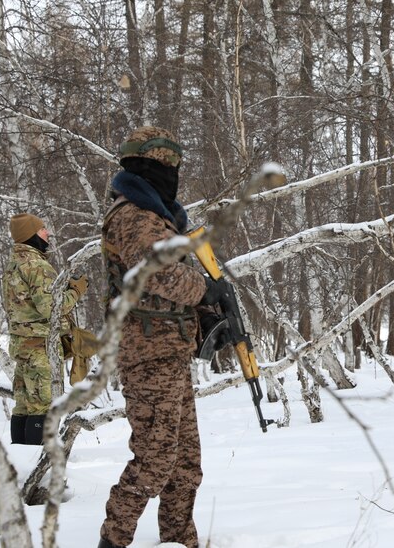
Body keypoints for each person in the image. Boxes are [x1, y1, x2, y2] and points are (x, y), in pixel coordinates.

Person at [98, 126, 229, 548]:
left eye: (174, 166)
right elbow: (153, 270)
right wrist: (200, 289)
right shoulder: (134, 213)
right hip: (146, 353)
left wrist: (207, 314)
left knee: (186, 464)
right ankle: (113, 539)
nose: (172, 174)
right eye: (164, 166)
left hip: (169, 352)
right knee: (154, 462)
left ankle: (177, 540)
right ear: (143, 167)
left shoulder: (158, 214)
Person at [3, 213, 88, 445]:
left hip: (21, 345)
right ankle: (37, 467)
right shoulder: (38, 265)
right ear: (31, 235)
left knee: (24, 405)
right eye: (42, 230)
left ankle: (20, 462)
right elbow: (51, 308)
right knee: (43, 405)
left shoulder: (14, 263)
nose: (47, 233)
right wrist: (77, 291)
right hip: (40, 347)